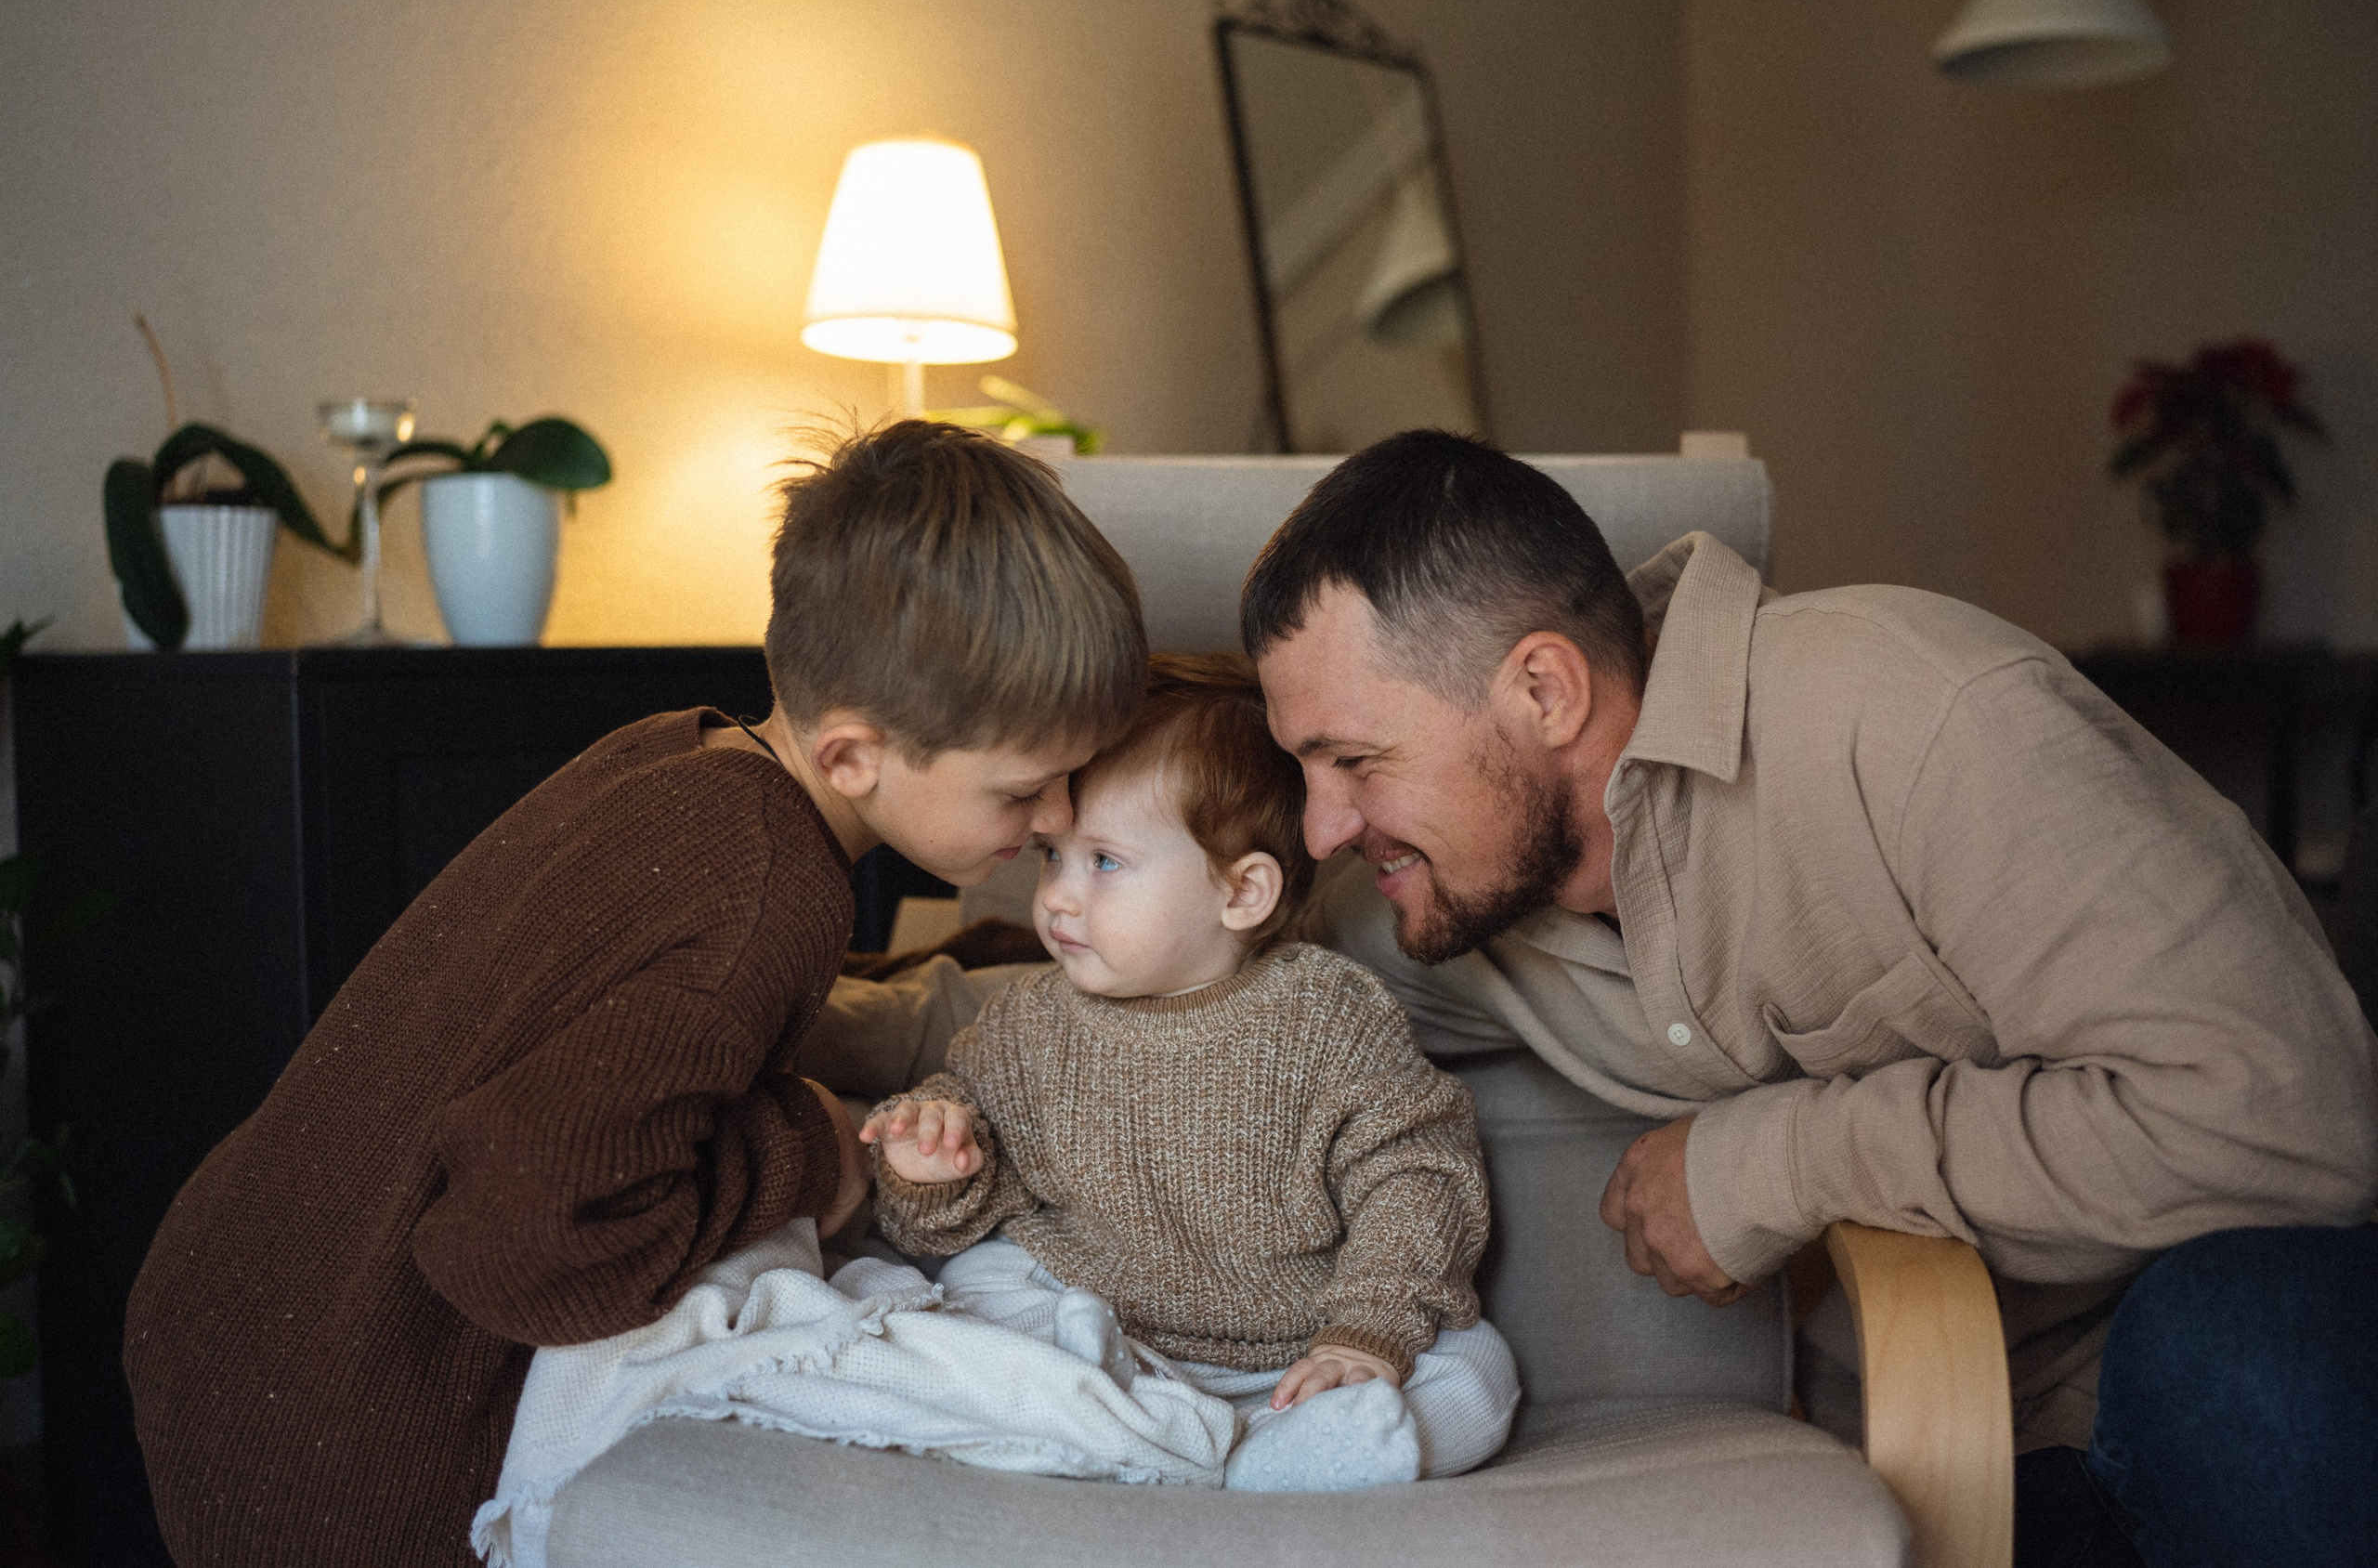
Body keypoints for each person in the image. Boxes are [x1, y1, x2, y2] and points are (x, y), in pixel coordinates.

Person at [1242, 430, 2378, 1566]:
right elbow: (1207, 984)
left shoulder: (1917, 717)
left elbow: (2289, 1118)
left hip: (2207, 1388)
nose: (1322, 828)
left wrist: (1780, 1162)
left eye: (1356, 761)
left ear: (1545, 691)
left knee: (2244, 1343)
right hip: (1940, 1447)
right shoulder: (1433, 905)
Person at [121, 420, 1149, 1568]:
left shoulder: (679, 756)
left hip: (228, 1297)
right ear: (853, 756)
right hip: (346, 1431)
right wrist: (808, 1151)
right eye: (1025, 789)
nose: (1060, 816)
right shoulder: (774, 893)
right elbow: (531, 1239)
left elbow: (642, 1010)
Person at [861, 654, 1519, 1492]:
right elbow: (968, 1185)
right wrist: (932, 1160)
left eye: (1104, 861)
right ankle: (1120, 1407)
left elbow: (1417, 1175)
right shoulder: (1029, 1022)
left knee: (1478, 1371)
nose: (1057, 896)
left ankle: (1290, 1447)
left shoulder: (1327, 1016)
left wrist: (1366, 1333)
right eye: (1052, 856)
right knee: (974, 1279)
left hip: (1297, 1353)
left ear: (1241, 893)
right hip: (1096, 1319)